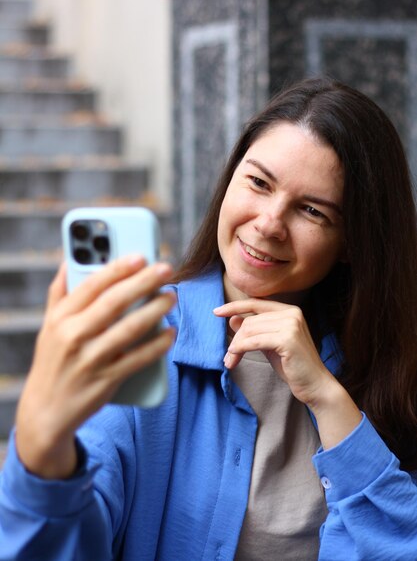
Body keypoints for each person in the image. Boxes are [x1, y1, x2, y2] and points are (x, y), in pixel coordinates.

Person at [1, 77, 417, 561]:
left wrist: (328, 400)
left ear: (352, 243)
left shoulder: (387, 373)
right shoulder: (144, 339)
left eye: (311, 210)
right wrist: (40, 449)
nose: (268, 223)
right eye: (258, 183)